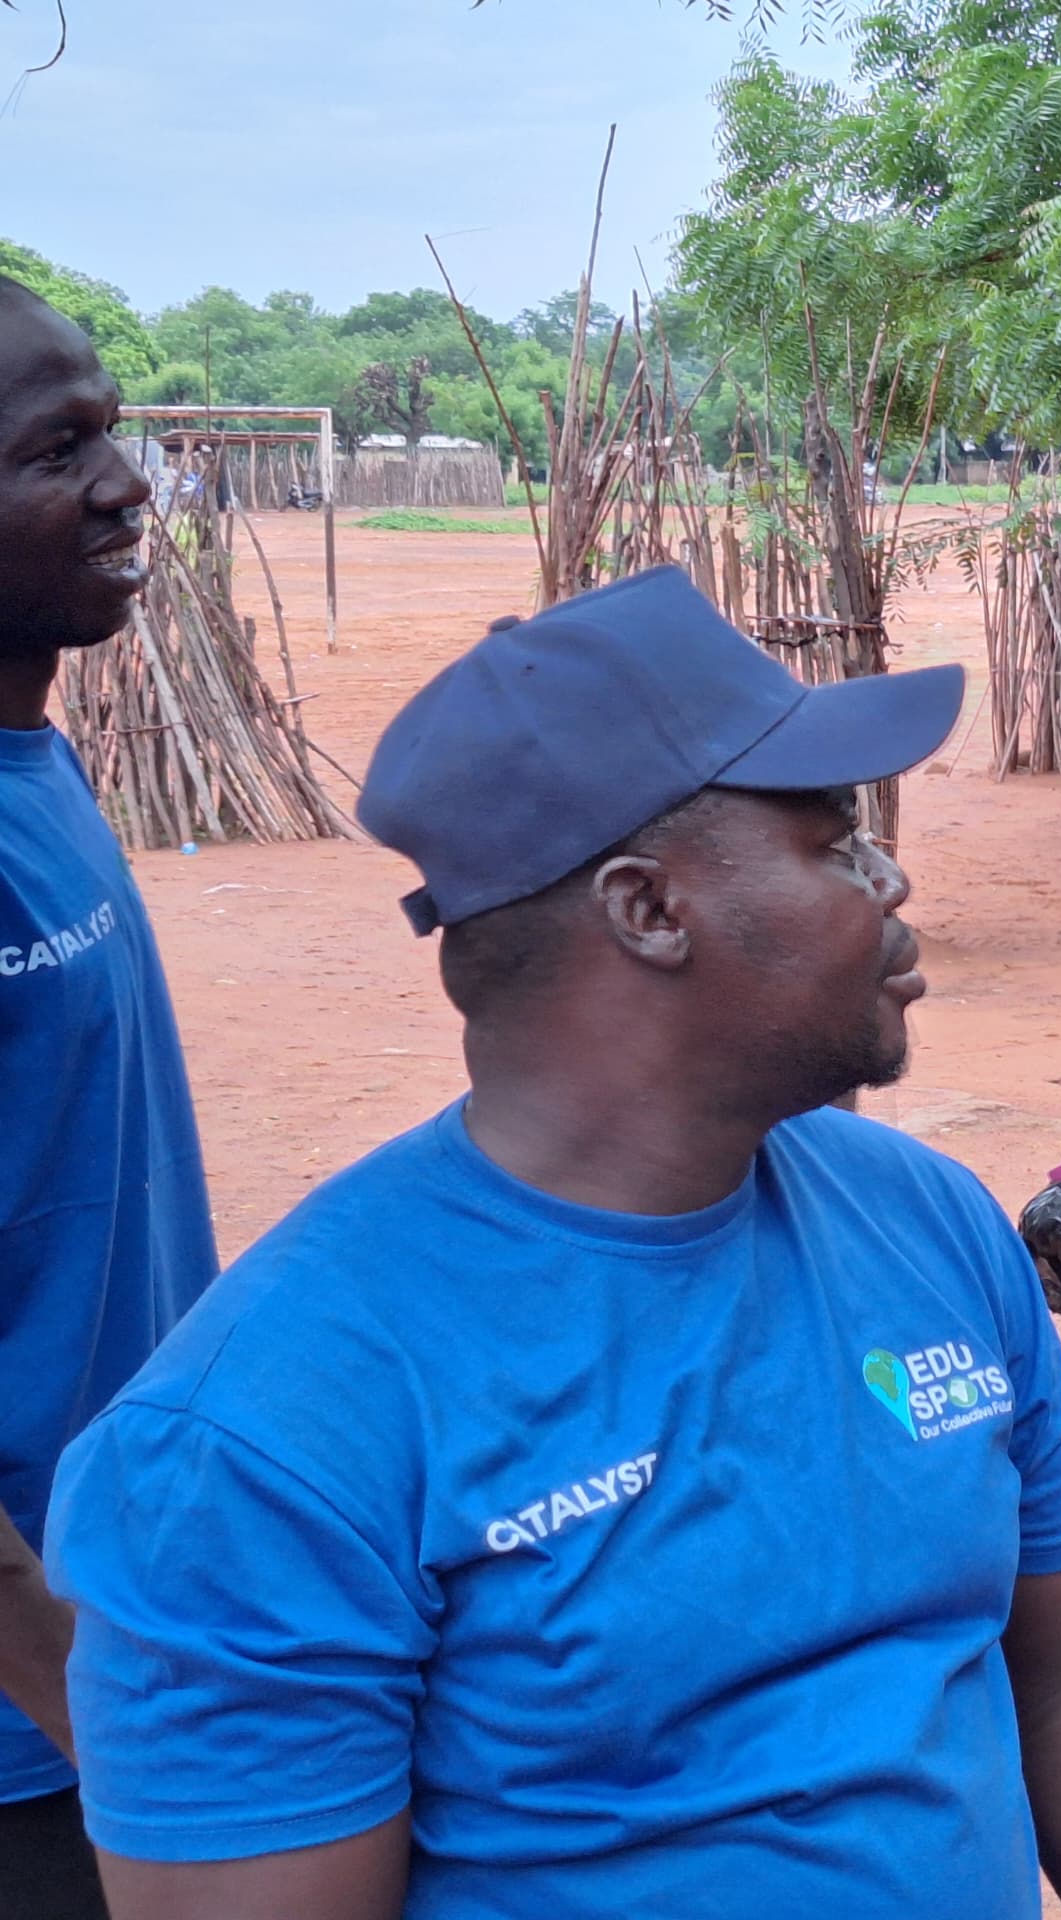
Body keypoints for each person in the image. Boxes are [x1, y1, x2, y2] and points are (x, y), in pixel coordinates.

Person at [44, 568, 1061, 1920]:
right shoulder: (259, 1445)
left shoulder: (925, 1222)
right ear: (648, 909)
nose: (891, 876)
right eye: (833, 839)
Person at [0, 275, 220, 1920]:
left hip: (126, 1629)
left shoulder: (40, 771)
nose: (126, 482)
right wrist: (92, 1712)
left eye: (114, 431)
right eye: (56, 449)